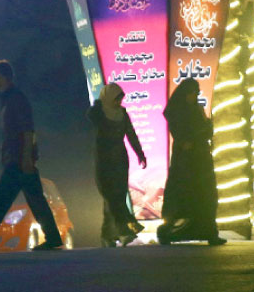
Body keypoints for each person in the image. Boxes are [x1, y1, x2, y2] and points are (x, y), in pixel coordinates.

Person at [0, 60, 63, 252]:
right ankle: (53, 237)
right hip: (18, 160)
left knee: (1, 201)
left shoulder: (16, 99)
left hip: (18, 161)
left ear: (3, 77)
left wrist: (25, 159)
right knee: (34, 200)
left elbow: (27, 130)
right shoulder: (9, 99)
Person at [157, 78, 226, 246]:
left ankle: (209, 232)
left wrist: (203, 131)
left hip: (201, 159)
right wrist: (187, 140)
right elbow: (182, 135)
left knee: (206, 195)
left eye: (195, 93)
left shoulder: (197, 109)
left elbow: (206, 130)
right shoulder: (177, 112)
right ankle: (172, 231)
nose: (193, 96)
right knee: (184, 194)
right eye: (191, 93)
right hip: (185, 162)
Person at [86, 83, 147, 247]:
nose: (118, 103)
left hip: (119, 158)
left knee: (117, 196)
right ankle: (125, 231)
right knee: (109, 195)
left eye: (120, 99)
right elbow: (89, 122)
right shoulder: (98, 113)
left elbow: (131, 134)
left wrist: (140, 154)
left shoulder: (122, 113)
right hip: (104, 159)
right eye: (115, 99)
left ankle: (107, 236)